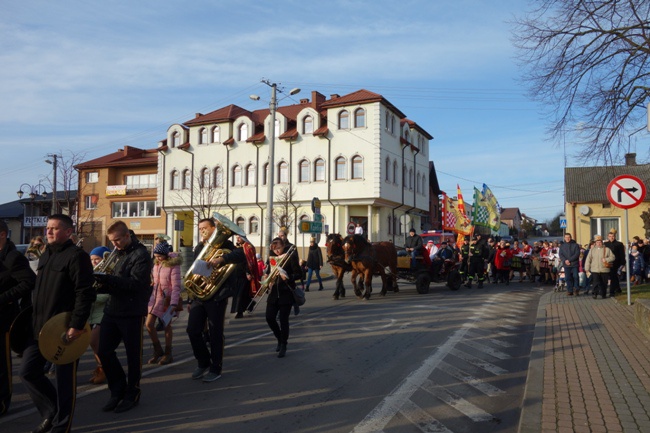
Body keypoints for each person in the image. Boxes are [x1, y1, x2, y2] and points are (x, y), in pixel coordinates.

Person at [19, 214, 95, 433]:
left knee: (64, 383)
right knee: (27, 371)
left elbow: (85, 293)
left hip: (64, 330)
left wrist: (77, 325)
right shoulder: (45, 255)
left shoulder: (77, 256)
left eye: (54, 228)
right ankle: (51, 412)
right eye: (47, 228)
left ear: (69, 232)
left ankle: (62, 426)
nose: (48, 231)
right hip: (40, 329)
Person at [95, 221, 152, 414]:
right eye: (112, 241)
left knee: (133, 356)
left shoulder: (141, 255)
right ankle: (117, 389)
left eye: (117, 240)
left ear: (127, 235)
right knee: (103, 351)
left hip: (132, 311)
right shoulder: (117, 253)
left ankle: (132, 393)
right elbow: (113, 282)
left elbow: (136, 284)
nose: (114, 245)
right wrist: (100, 283)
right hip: (112, 309)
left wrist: (108, 279)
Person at [188, 221, 248, 382]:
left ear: (214, 229)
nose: (202, 231)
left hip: (218, 295)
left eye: (205, 228)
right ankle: (203, 361)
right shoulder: (200, 247)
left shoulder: (226, 244)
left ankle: (216, 368)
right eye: (200, 229)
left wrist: (221, 259)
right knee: (192, 330)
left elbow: (241, 255)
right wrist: (190, 298)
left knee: (215, 333)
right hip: (199, 295)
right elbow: (193, 272)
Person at [0, 220, 35, 417]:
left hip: (4, 317)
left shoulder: (13, 257)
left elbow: (29, 282)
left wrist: (3, 299)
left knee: (2, 365)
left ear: (3, 234)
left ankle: (2, 403)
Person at [145, 241, 182, 365]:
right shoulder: (156, 264)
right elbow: (155, 281)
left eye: (159, 256)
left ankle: (168, 353)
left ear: (165, 255)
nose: (157, 258)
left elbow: (176, 286)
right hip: (155, 298)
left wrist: (173, 303)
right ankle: (158, 350)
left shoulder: (173, 265)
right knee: (148, 324)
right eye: (155, 256)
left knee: (167, 325)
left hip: (167, 299)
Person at [264, 237, 301, 358]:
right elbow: (270, 272)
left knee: (284, 320)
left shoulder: (290, 257)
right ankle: (279, 338)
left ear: (283, 245)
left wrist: (288, 277)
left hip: (286, 293)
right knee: (269, 317)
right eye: (274, 249)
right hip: (274, 292)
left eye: (279, 248)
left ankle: (284, 344)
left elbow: (300, 274)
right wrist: (266, 278)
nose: (277, 251)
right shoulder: (272, 258)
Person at [87, 246, 112, 385]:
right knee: (95, 345)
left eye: (97, 259)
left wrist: (91, 298)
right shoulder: (91, 273)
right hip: (91, 314)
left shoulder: (107, 273)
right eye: (92, 259)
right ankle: (101, 368)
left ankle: (104, 370)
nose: (94, 262)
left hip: (102, 313)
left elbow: (108, 295)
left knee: (95, 342)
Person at [585, 235, 614, 299]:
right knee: (595, 282)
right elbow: (588, 259)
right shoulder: (592, 250)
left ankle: (603, 294)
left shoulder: (607, 249)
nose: (599, 243)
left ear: (602, 242)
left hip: (604, 269)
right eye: (597, 242)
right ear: (595, 243)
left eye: (600, 242)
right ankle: (594, 293)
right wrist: (587, 268)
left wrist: (606, 259)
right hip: (595, 269)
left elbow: (612, 257)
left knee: (604, 283)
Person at [604, 228, 625, 296]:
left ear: (615, 236)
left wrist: (622, 263)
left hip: (616, 263)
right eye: (610, 236)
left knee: (613, 276)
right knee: (613, 277)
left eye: (612, 236)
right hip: (607, 262)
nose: (611, 238)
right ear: (608, 237)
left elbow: (622, 254)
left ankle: (612, 291)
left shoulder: (619, 244)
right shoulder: (605, 244)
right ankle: (618, 289)